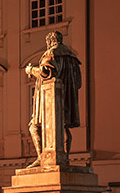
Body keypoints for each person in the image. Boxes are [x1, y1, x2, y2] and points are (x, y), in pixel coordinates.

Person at [24, 30, 83, 166]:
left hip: (50, 98)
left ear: (50, 42)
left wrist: (31, 70)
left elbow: (46, 72)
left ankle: (41, 157)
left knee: (34, 126)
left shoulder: (51, 53)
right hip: (67, 97)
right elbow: (78, 82)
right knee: (62, 127)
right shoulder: (72, 58)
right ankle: (64, 157)